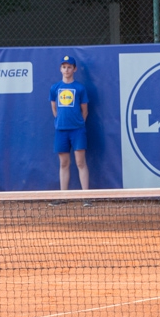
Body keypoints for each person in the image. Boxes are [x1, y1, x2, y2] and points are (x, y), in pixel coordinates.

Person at [49, 55, 91, 207]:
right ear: (60, 69)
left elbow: (84, 111)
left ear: (74, 69)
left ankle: (86, 198)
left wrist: (78, 124)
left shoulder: (80, 88)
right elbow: (54, 108)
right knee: (64, 163)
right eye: (64, 67)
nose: (66, 70)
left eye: (69, 67)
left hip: (78, 131)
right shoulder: (55, 88)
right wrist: (60, 122)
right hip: (61, 131)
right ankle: (63, 196)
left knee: (80, 162)